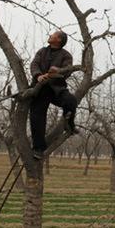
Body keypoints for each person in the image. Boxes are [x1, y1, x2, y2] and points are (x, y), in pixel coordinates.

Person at [29, 30, 78, 160]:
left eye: (53, 35)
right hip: (40, 89)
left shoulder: (66, 55)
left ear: (59, 40)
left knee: (71, 101)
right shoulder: (42, 51)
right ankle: (38, 149)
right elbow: (34, 64)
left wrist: (53, 74)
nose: (50, 35)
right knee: (37, 116)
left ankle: (70, 124)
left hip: (57, 88)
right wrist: (38, 75)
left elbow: (67, 71)